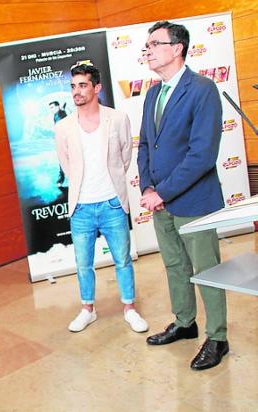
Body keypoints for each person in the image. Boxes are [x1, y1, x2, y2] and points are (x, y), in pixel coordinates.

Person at [137, 20, 228, 371]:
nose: (147, 51)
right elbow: (146, 144)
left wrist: (162, 192)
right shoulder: (151, 93)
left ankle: (218, 337)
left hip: (193, 202)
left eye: (154, 44)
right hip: (159, 200)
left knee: (207, 270)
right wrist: (147, 187)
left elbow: (202, 155)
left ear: (177, 48)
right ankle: (185, 322)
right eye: (146, 46)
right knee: (175, 265)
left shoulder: (203, 89)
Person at [56, 63, 148, 333]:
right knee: (83, 264)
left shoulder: (117, 119)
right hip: (81, 207)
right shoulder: (63, 127)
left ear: (96, 88)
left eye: (82, 85)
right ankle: (88, 309)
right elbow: (66, 164)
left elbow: (124, 157)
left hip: (112, 203)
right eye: (73, 86)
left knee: (122, 259)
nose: (77, 91)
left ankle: (129, 308)